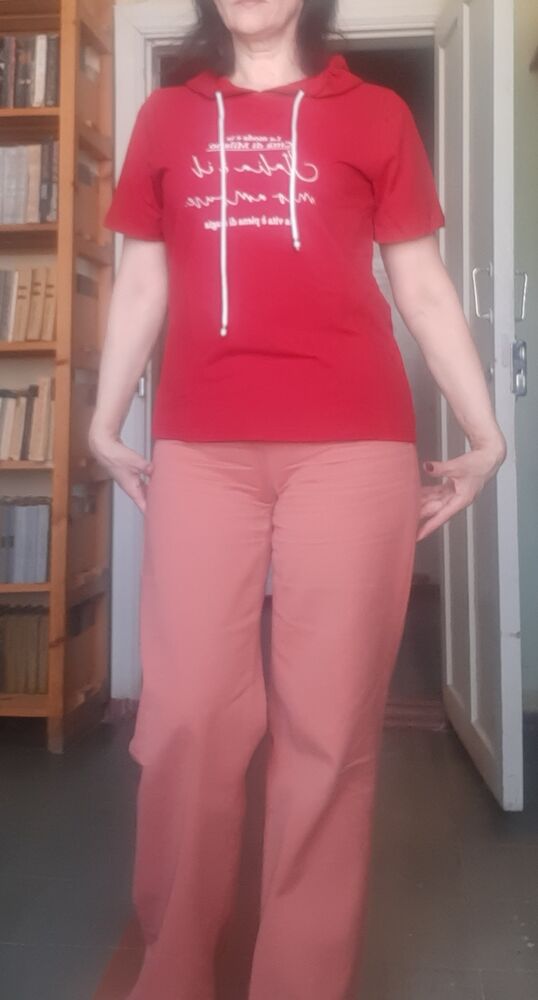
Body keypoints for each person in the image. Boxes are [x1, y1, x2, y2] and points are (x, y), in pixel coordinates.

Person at [89, 0, 506, 996]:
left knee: (327, 731)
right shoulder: (167, 118)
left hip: (354, 448)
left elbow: (422, 288)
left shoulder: (375, 115)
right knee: (187, 716)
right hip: (201, 447)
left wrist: (486, 433)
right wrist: (103, 422)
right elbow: (141, 283)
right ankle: (174, 968)